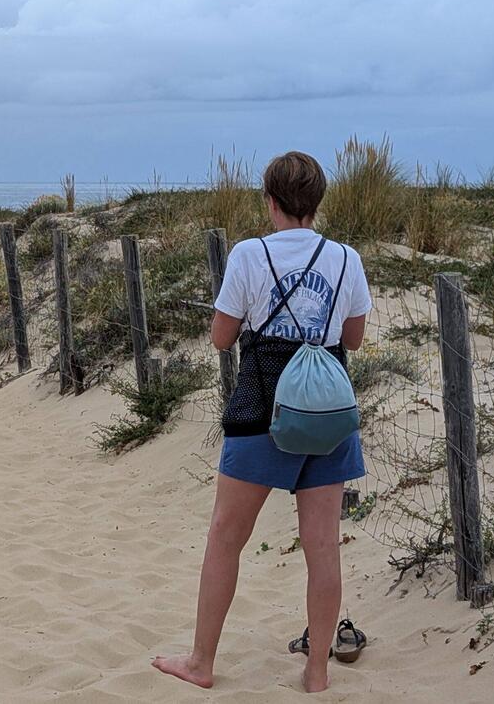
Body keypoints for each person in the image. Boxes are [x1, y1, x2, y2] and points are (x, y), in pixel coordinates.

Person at [153, 150, 372, 694]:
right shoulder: (347, 258)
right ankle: (317, 670)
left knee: (226, 537)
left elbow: (221, 337)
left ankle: (201, 662)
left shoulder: (250, 254)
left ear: (270, 201)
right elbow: (352, 339)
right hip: (326, 413)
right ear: (317, 201)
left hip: (262, 408)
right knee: (322, 546)